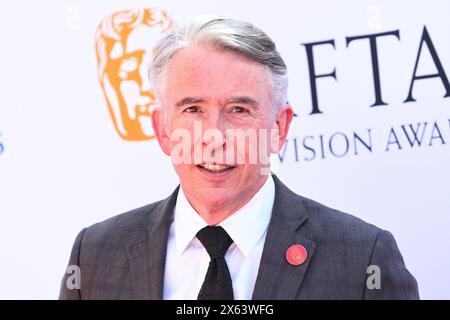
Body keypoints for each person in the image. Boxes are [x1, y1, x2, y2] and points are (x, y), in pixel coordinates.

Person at [60, 15, 419, 300]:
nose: (215, 135)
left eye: (238, 109)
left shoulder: (362, 259)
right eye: (193, 109)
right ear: (163, 129)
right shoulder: (94, 257)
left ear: (279, 127)